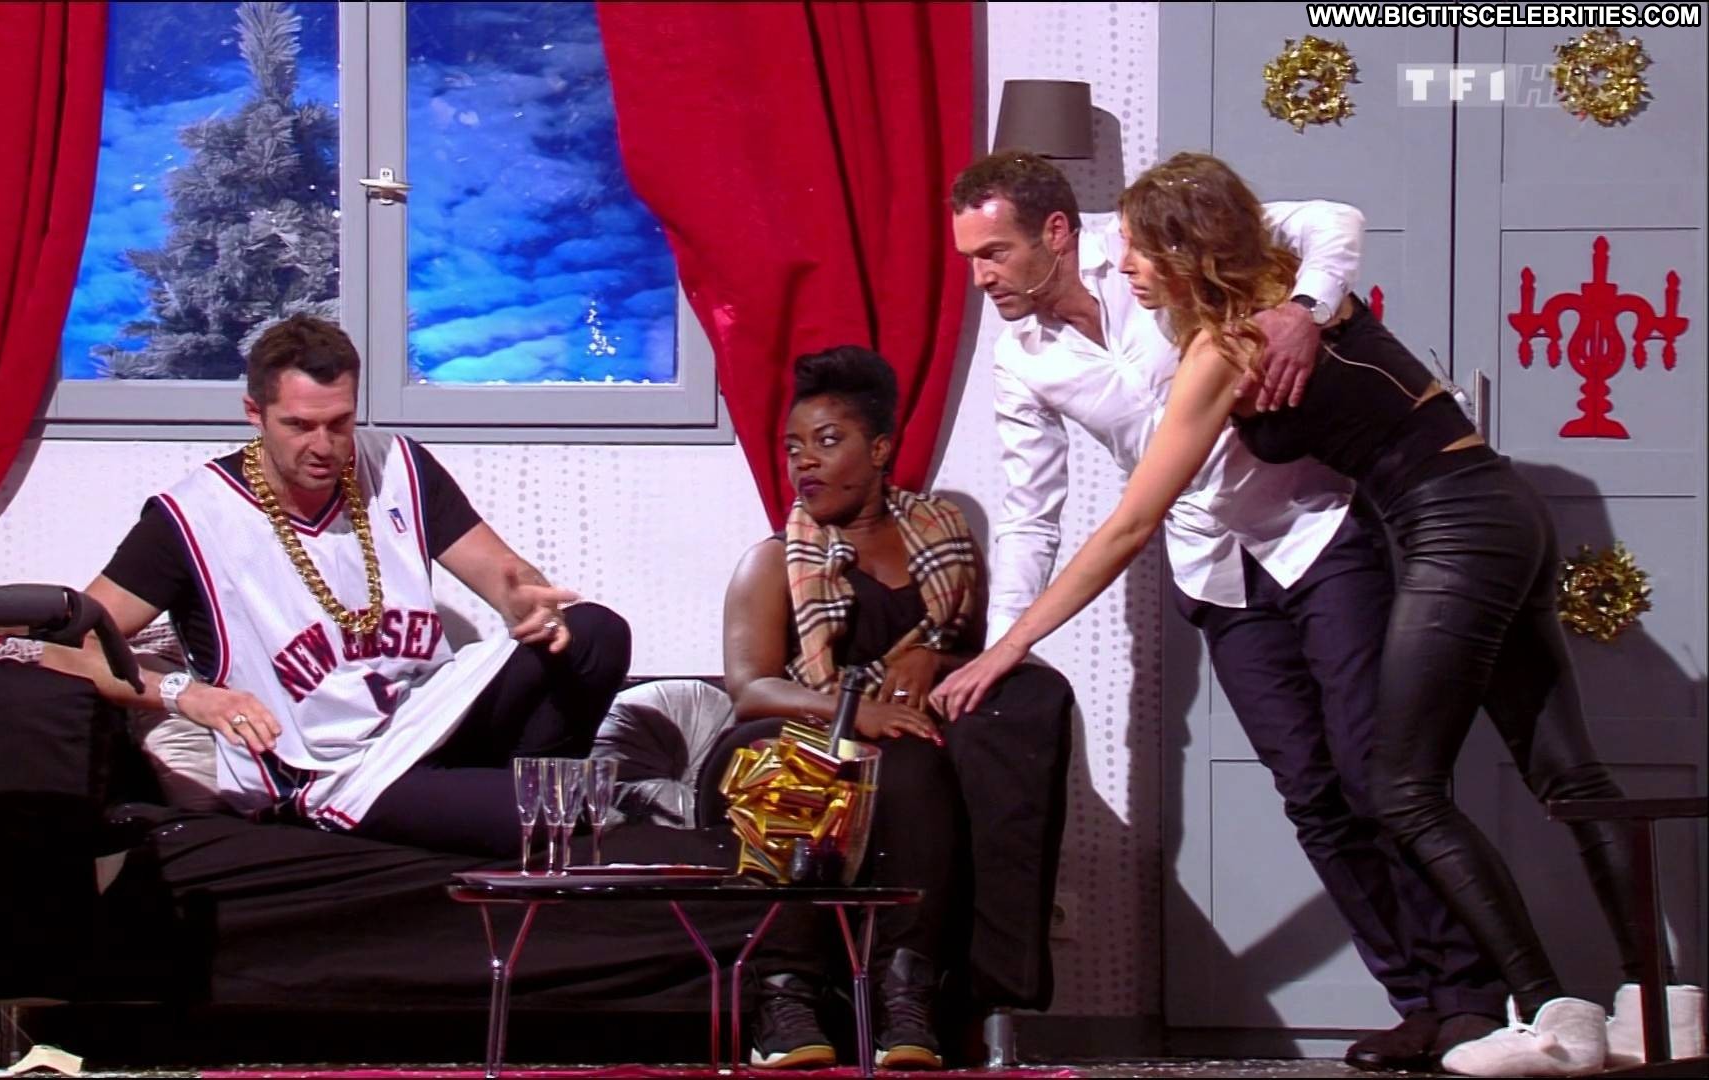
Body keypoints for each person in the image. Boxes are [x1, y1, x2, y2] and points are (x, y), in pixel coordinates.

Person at [935, 150, 1687, 1077]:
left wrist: (1303, 307)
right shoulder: (1030, 357)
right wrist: (1006, 649)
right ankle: (1432, 1002)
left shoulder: (1160, 255)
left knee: (1387, 780)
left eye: (992, 253)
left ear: (1056, 233)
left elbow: (1328, 220)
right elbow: (1030, 515)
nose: (981, 277)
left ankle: (1482, 1000)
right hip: (1216, 567)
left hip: (1322, 535)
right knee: (1315, 797)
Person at [45, 314, 632, 857]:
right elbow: (66, 649)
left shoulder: (397, 466)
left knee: (595, 632)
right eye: (299, 426)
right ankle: (515, 806)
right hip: (327, 769)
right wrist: (189, 695)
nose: (323, 447)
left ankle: (515, 794)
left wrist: (524, 599)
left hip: (427, 718)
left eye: (339, 423)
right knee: (554, 820)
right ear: (255, 413)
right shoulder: (190, 518)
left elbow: (509, 579)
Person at [704, 345, 1075, 1070]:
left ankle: (909, 994)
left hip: (904, 747)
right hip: (784, 733)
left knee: (918, 760)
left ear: (880, 450)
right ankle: (785, 995)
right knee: (854, 760)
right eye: (793, 448)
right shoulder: (774, 560)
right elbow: (749, 689)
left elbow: (977, 665)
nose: (804, 462)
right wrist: (853, 711)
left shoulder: (945, 543)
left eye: (827, 441)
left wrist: (935, 659)